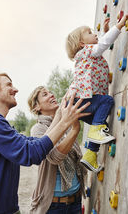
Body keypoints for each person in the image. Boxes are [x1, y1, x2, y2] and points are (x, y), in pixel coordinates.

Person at [0, 72, 90, 214]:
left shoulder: (4, 126)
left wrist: (61, 113)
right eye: (9, 85)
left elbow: (38, 144)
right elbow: (30, 153)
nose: (16, 89)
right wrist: (66, 122)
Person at [65, 15, 128, 172]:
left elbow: (101, 43)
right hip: (80, 100)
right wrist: (118, 26)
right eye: (89, 32)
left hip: (76, 104)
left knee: (100, 125)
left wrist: (106, 31)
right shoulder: (87, 51)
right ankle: (96, 135)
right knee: (106, 101)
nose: (94, 33)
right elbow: (104, 44)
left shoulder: (86, 54)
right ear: (82, 43)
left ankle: (90, 155)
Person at [28, 86, 87, 214]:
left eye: (51, 92)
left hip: (75, 200)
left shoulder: (65, 122)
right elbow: (54, 157)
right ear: (37, 107)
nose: (51, 95)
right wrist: (75, 130)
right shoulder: (38, 129)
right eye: (45, 94)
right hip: (54, 206)